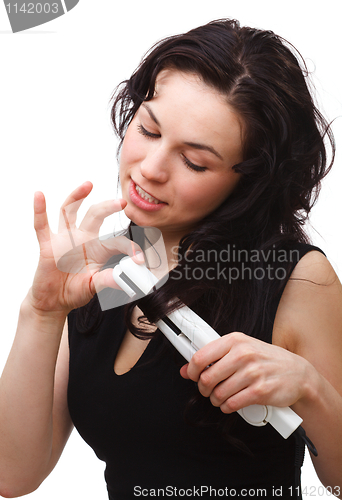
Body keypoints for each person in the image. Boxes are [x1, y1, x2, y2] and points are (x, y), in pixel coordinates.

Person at [0, 18, 341, 500]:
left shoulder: (299, 279)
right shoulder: (105, 269)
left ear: (251, 181)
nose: (151, 168)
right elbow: (12, 475)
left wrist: (311, 389)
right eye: (148, 129)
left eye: (195, 162)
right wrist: (42, 312)